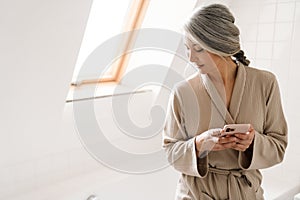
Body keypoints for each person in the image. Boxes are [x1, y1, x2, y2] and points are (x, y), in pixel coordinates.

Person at [163, 4, 287, 200]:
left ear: (220, 45)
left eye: (199, 49)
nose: (191, 58)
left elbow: (278, 146)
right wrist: (197, 144)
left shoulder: (265, 83)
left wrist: (253, 142)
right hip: (195, 193)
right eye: (187, 48)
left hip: (245, 192)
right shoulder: (183, 92)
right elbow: (170, 150)